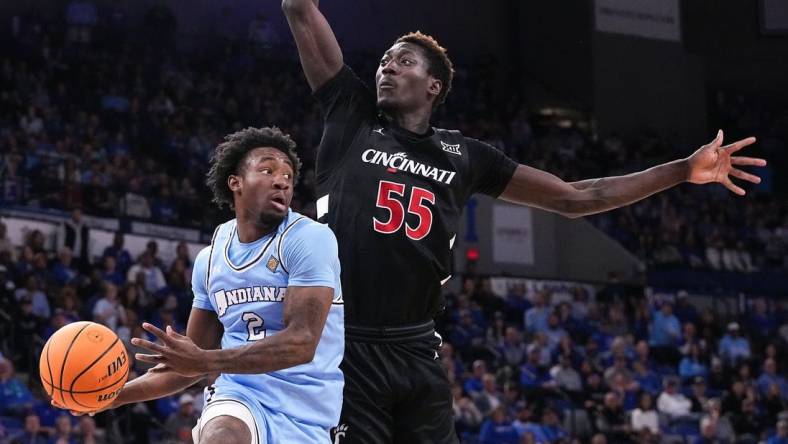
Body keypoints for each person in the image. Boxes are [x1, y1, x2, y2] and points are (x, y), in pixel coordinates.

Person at [281, 0, 766, 441]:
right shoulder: (352, 115)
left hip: (416, 346)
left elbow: (578, 197)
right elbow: (299, 8)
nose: (386, 66)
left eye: (403, 60)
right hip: (348, 341)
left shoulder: (465, 155)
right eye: (385, 59)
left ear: (434, 85)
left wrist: (681, 170)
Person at [53, 127, 345, 444]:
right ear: (235, 182)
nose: (282, 181)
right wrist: (113, 396)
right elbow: (185, 366)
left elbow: (301, 342)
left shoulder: (309, 240)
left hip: (310, 413)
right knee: (221, 436)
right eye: (267, 169)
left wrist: (204, 361)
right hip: (239, 396)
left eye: (288, 176)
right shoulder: (210, 260)